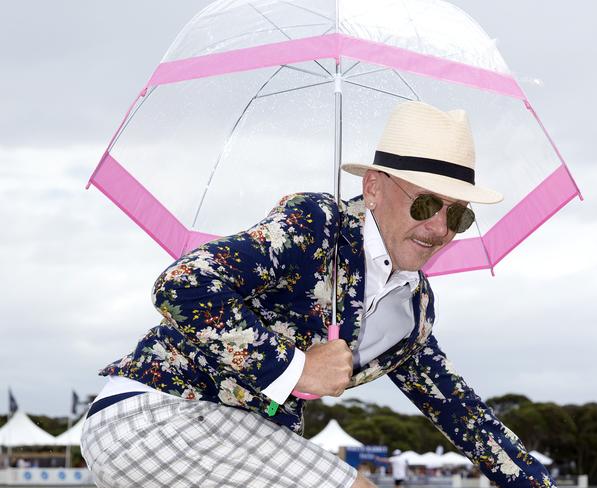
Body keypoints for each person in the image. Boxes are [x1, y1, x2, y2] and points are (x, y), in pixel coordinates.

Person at [80, 101, 556, 488]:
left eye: (458, 217)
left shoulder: (413, 311)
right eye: (427, 203)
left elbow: (461, 412)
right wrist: (294, 367)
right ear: (373, 188)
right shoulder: (317, 226)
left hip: (231, 446)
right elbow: (184, 286)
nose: (438, 228)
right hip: (156, 418)